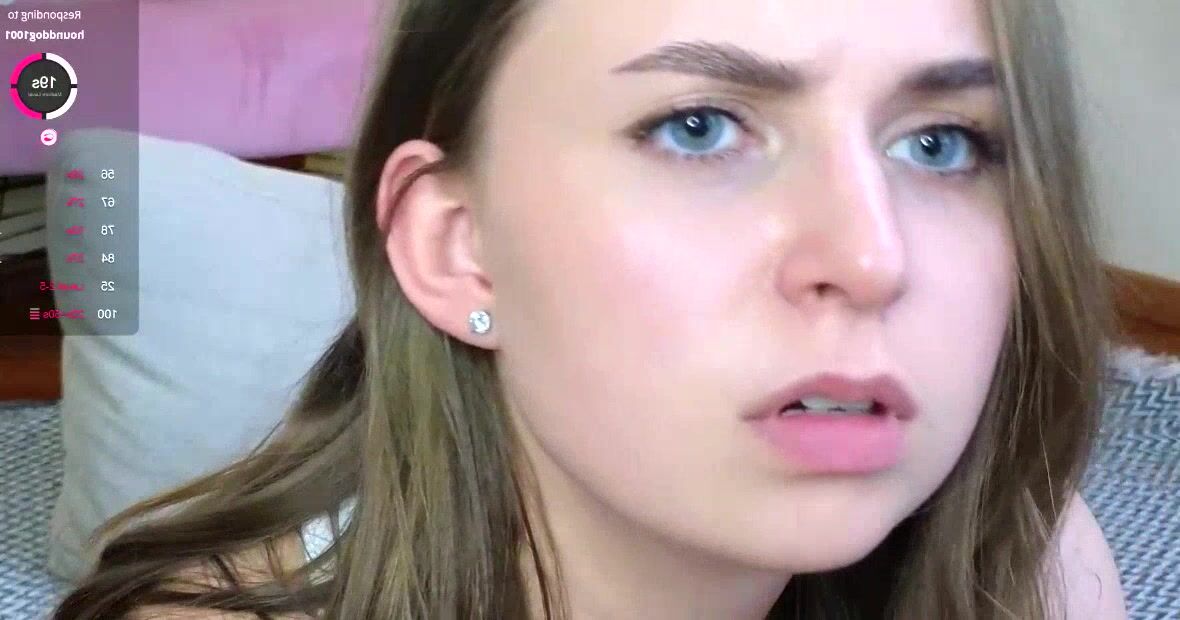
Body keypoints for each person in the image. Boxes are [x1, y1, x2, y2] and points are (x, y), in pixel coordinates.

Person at [53, 0, 1128, 617]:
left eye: (941, 143)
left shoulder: (1033, 567)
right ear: (457, 247)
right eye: (699, 128)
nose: (870, 256)